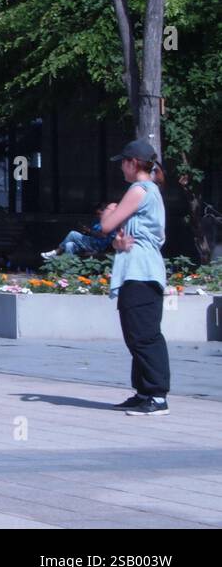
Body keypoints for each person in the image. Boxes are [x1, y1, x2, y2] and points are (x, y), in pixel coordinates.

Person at [98, 140, 170, 416]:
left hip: (142, 273)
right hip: (135, 271)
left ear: (134, 163)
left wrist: (109, 210)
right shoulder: (147, 191)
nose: (120, 167)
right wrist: (119, 244)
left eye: (123, 161)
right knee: (135, 334)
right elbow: (124, 238)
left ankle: (157, 396)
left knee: (145, 336)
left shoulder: (140, 189)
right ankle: (143, 392)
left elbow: (106, 225)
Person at [41, 204, 117, 259]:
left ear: (105, 212)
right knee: (69, 245)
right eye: (96, 214)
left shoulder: (110, 222)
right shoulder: (96, 221)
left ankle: (57, 251)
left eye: (99, 214)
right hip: (89, 243)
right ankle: (68, 268)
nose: (97, 215)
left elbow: (103, 235)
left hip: (97, 246)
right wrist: (85, 231)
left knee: (72, 234)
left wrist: (89, 231)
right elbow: (91, 234)